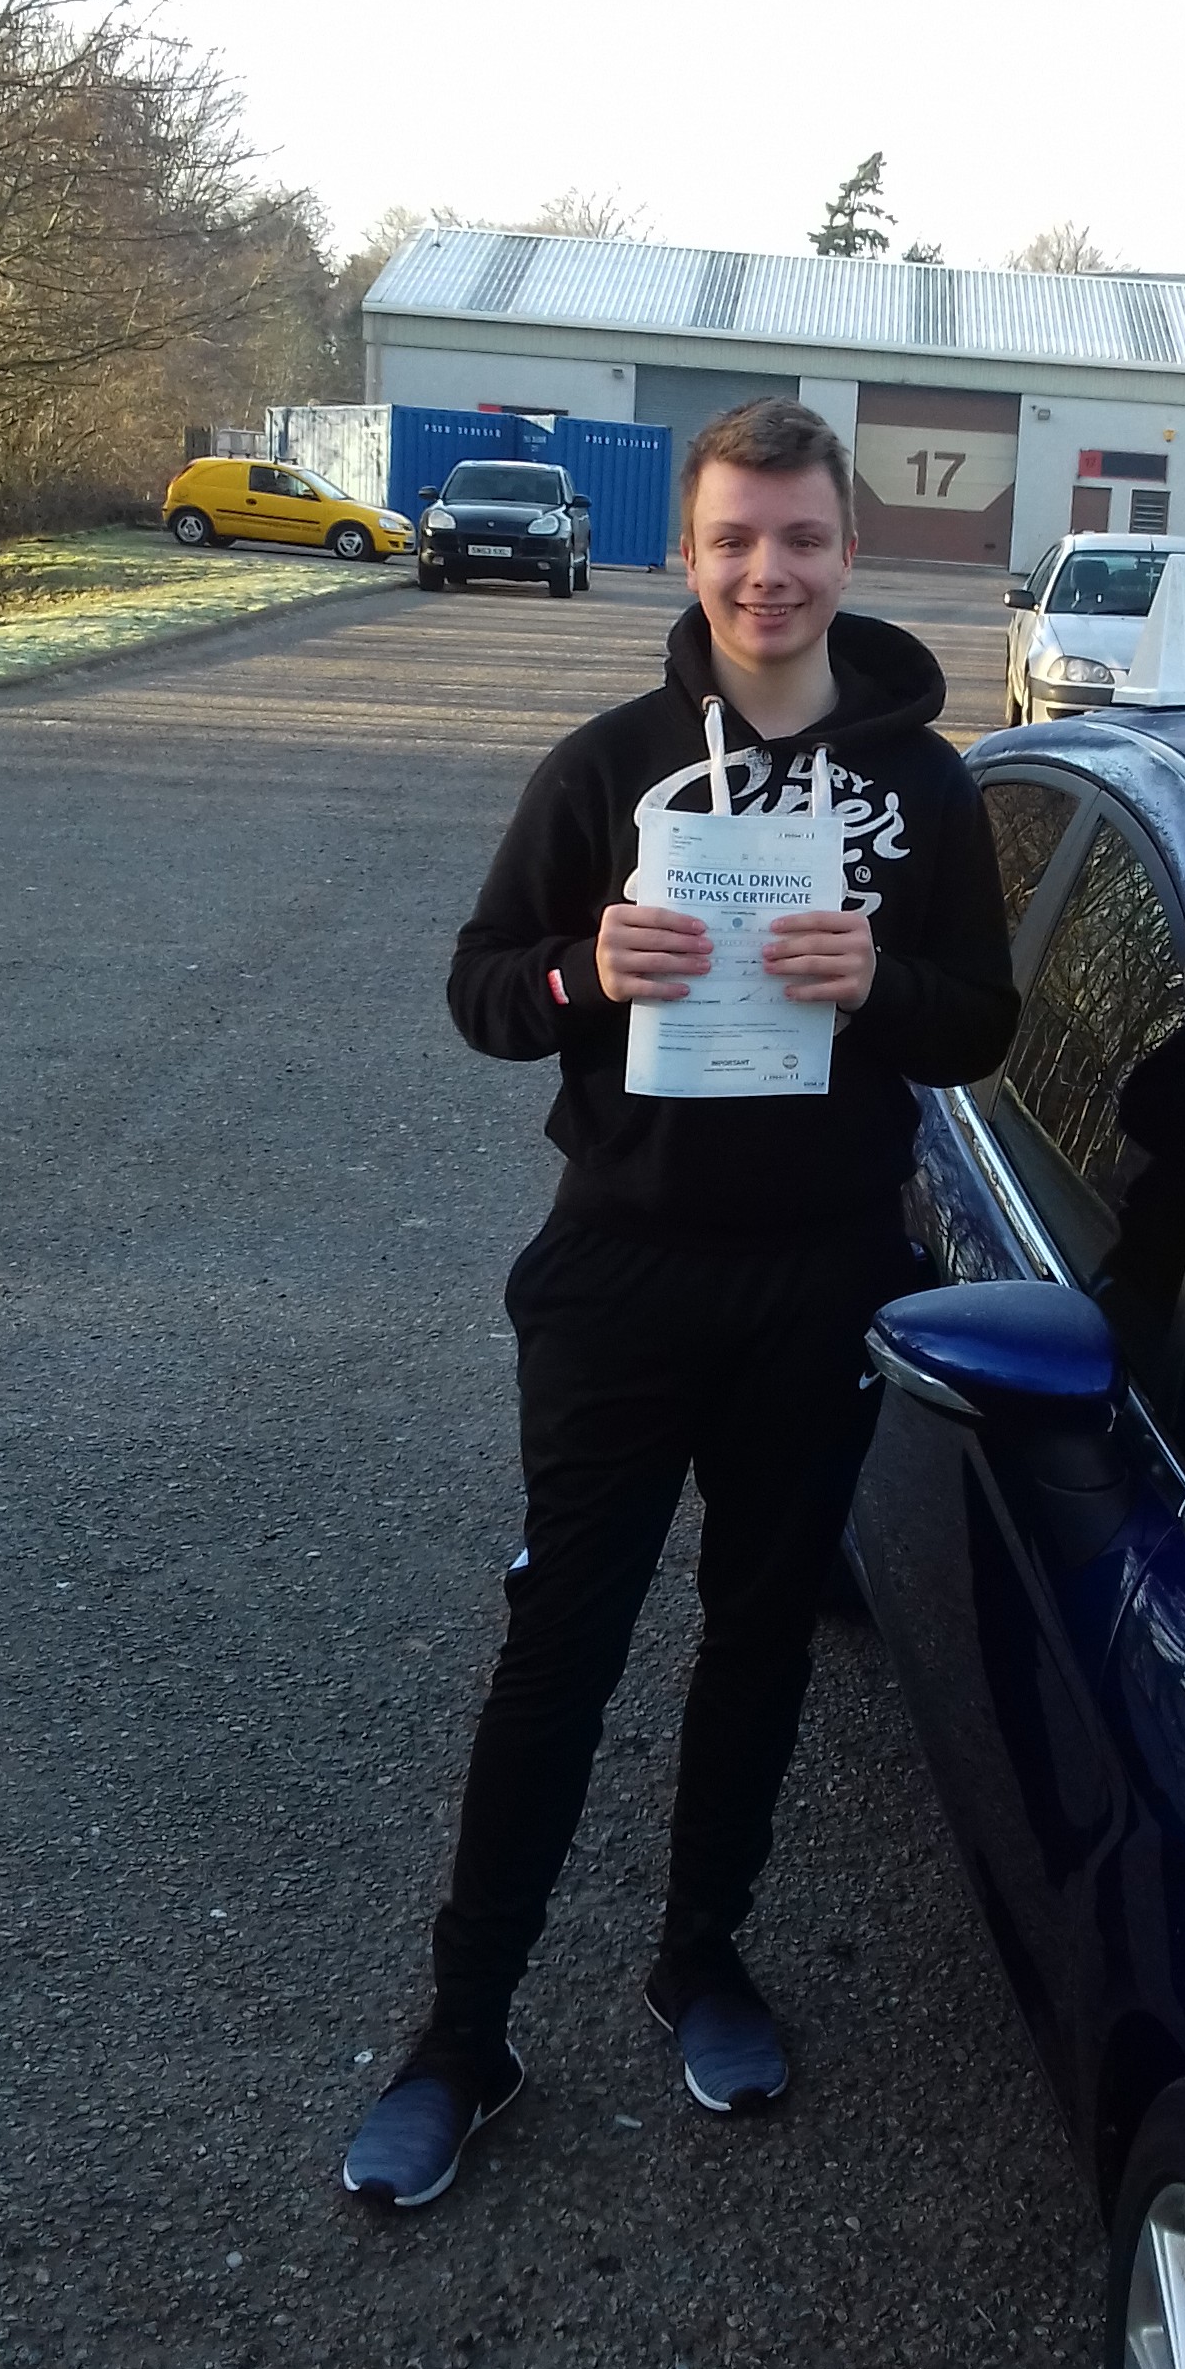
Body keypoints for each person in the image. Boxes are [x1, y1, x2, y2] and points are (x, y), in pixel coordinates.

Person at [343, 397, 1018, 2206]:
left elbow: (980, 1024)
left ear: (848, 552)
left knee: (761, 1629)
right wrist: (583, 970)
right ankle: (462, 2034)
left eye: (799, 538)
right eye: (734, 538)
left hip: (824, 1272)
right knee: (560, 1642)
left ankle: (701, 1953)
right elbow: (482, 990)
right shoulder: (608, 764)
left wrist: (878, 981)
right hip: (621, 1269)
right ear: (691, 551)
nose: (766, 571)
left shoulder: (928, 790)